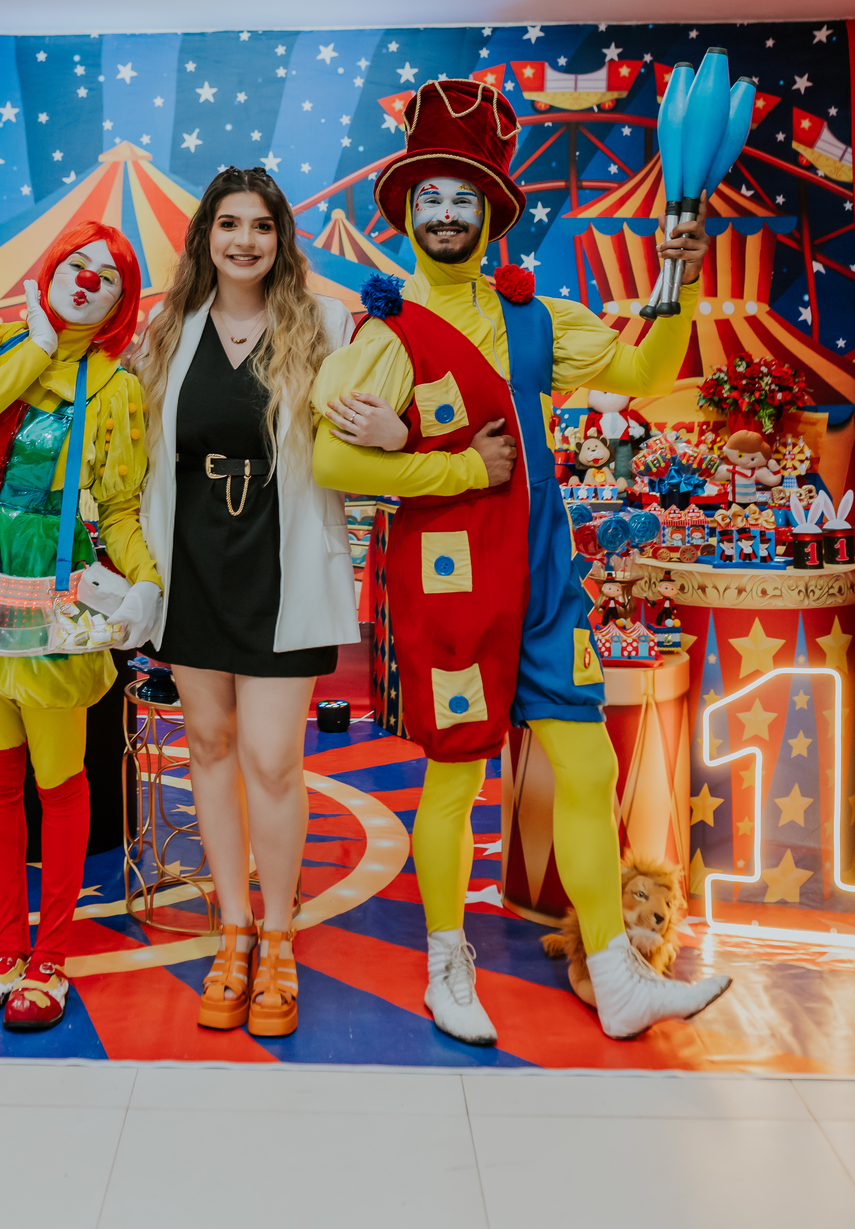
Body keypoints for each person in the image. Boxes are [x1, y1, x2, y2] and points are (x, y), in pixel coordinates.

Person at [313, 79, 731, 1044]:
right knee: (456, 779)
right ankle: (446, 963)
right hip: (451, 578)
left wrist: (681, 282)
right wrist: (453, 460)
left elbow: (643, 372)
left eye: (465, 197)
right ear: (408, 214)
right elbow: (331, 458)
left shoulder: (539, 316)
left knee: (584, 767)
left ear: (492, 212)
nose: (447, 212)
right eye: (431, 197)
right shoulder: (384, 334)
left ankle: (618, 974)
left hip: (543, 580)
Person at [137, 166, 359, 1038]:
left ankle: (279, 935)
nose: (244, 240)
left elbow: (367, 431)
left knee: (271, 757)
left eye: (260, 225)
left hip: (281, 575)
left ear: (281, 238)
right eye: (228, 224)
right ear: (205, 237)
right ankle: (232, 928)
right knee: (208, 743)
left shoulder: (326, 324)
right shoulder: (168, 332)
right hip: (191, 567)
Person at [0, 220, 162, 1032]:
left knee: (58, 778)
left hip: (48, 594)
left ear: (121, 306)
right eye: (79, 262)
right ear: (52, 266)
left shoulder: (116, 389)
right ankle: (2, 949)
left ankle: (50, 957)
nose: (89, 279)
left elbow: (122, 504)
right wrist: (30, 348)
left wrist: (147, 585)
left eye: (111, 275)